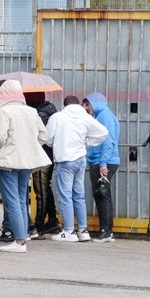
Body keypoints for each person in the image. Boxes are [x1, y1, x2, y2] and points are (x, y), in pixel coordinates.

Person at [0, 81, 51, 253]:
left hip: (8, 161)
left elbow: (0, 137)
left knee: (12, 201)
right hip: (26, 162)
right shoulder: (31, 111)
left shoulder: (4, 111)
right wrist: (31, 146)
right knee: (22, 199)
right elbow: (43, 136)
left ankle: (19, 241)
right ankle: (23, 236)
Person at [44, 95, 108, 243]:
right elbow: (103, 133)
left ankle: (68, 231)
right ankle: (83, 231)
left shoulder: (57, 117)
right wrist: (87, 142)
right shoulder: (85, 117)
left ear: (64, 104)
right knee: (79, 195)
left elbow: (47, 138)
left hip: (64, 159)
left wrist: (56, 143)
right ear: (78, 104)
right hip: (80, 159)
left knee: (65, 196)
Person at [84, 92, 121, 242]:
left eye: (88, 104)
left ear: (96, 103)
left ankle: (105, 231)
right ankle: (107, 231)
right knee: (103, 195)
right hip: (101, 161)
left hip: (103, 161)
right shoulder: (101, 116)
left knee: (101, 195)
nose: (86, 107)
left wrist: (103, 163)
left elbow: (108, 141)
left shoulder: (104, 116)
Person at [25, 91, 60, 236]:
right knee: (45, 188)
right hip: (48, 155)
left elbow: (33, 133)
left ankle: (39, 225)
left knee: (40, 191)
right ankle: (52, 220)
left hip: (41, 155)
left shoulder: (38, 114)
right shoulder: (49, 110)